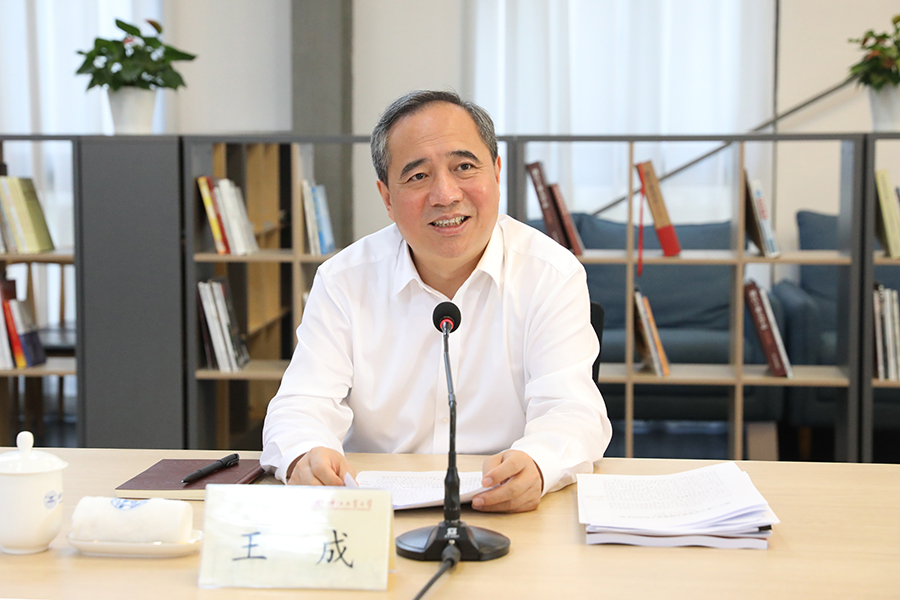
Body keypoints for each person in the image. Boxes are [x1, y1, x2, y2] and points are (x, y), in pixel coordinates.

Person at [261, 90, 611, 513]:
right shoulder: (343, 281)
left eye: (464, 167)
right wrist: (304, 454)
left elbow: (572, 408)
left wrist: (538, 463)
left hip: (502, 508)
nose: (445, 195)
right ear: (387, 198)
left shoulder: (550, 274)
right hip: (374, 513)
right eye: (417, 176)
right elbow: (301, 404)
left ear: (496, 173)